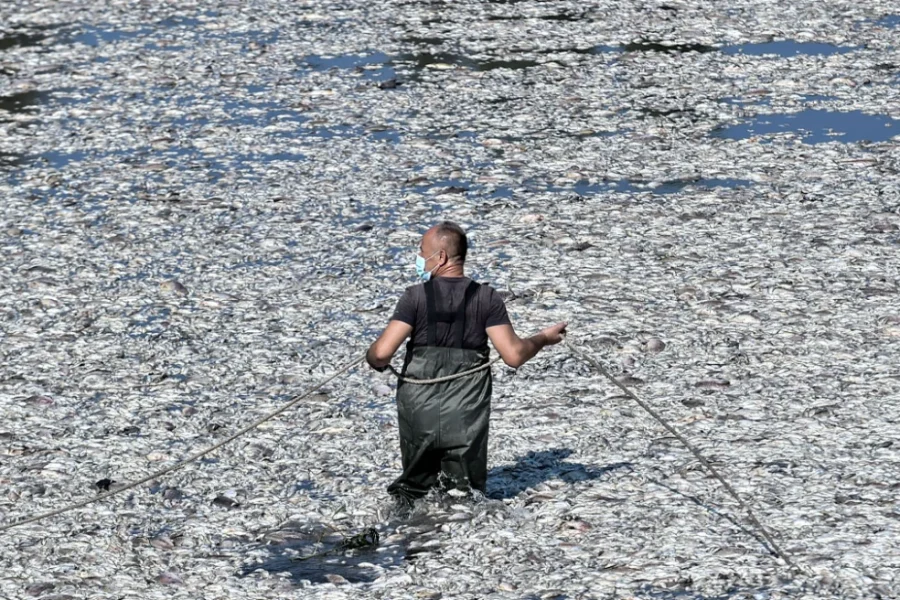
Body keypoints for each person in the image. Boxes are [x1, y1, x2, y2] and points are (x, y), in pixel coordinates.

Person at [366, 221, 567, 503]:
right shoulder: (486, 298)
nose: (419, 258)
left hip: (418, 411)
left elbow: (382, 354)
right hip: (465, 413)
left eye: (422, 252)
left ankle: (406, 540)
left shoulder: (414, 297)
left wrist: (370, 356)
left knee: (414, 493)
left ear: (441, 257)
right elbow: (514, 355)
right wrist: (544, 338)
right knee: (465, 498)